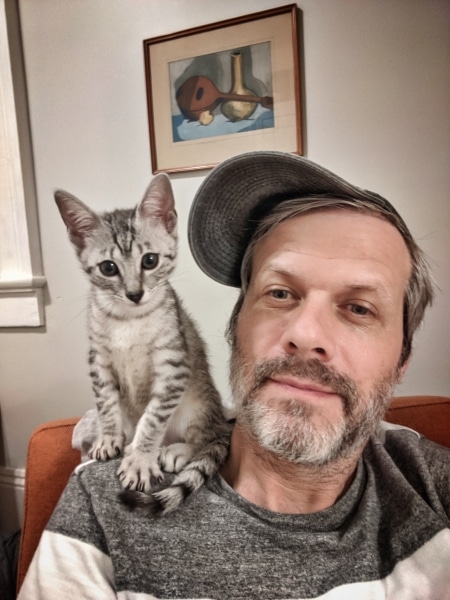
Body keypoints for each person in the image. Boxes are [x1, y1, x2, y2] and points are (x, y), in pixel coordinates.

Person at [18, 151, 450, 599]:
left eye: (359, 308)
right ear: (234, 326)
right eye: (279, 293)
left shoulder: (429, 483)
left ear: (403, 360)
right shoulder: (101, 504)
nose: (305, 335)